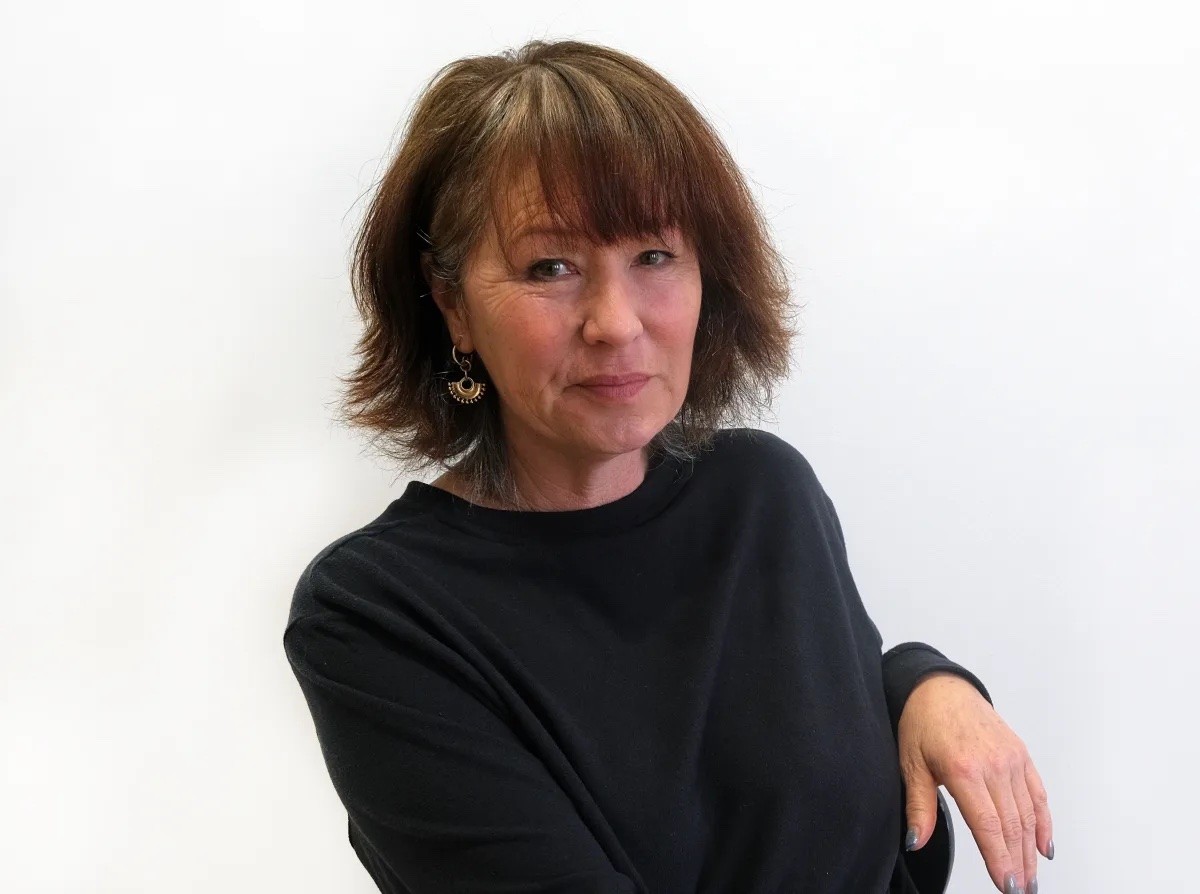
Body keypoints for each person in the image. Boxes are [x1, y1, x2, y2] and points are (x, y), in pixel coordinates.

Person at [282, 39, 1054, 894]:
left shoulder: (765, 495)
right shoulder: (375, 615)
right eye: (552, 266)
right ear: (451, 301)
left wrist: (923, 683)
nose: (615, 321)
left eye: (653, 256)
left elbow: (851, 789)